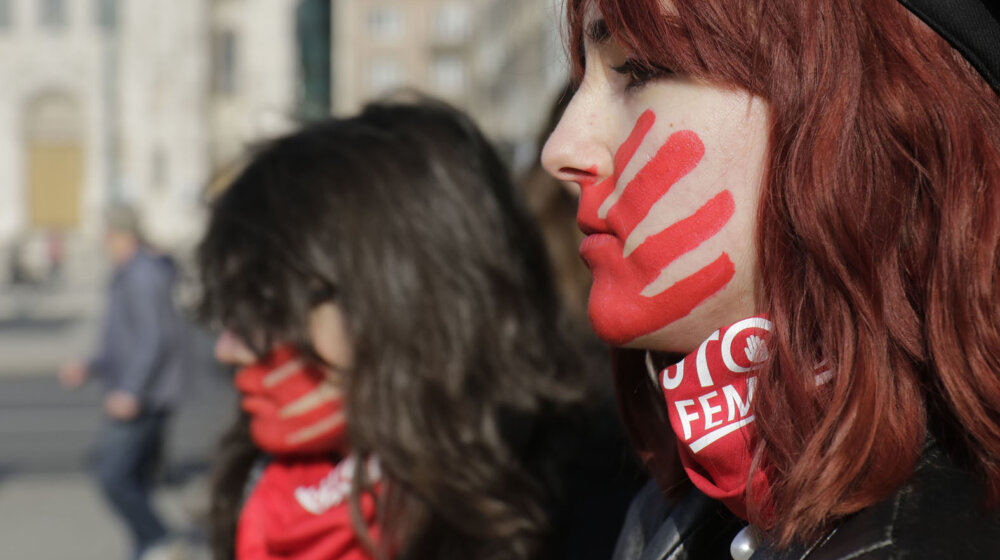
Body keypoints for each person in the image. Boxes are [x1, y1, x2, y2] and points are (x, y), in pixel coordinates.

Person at [541, 0, 1000, 558]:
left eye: (640, 70)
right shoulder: (675, 507)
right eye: (581, 79)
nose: (561, 150)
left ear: (860, 116)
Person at [197, 99, 642, 560]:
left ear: (406, 302)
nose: (230, 349)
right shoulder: (262, 482)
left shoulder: (596, 507)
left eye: (272, 310)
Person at [60, 203, 186, 560]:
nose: (102, 240)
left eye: (106, 233)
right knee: (135, 476)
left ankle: (159, 539)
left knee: (111, 473)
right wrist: (90, 366)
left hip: (145, 395)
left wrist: (131, 390)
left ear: (118, 235)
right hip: (141, 390)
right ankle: (149, 544)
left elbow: (152, 338)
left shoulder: (141, 275)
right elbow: (124, 342)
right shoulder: (128, 272)